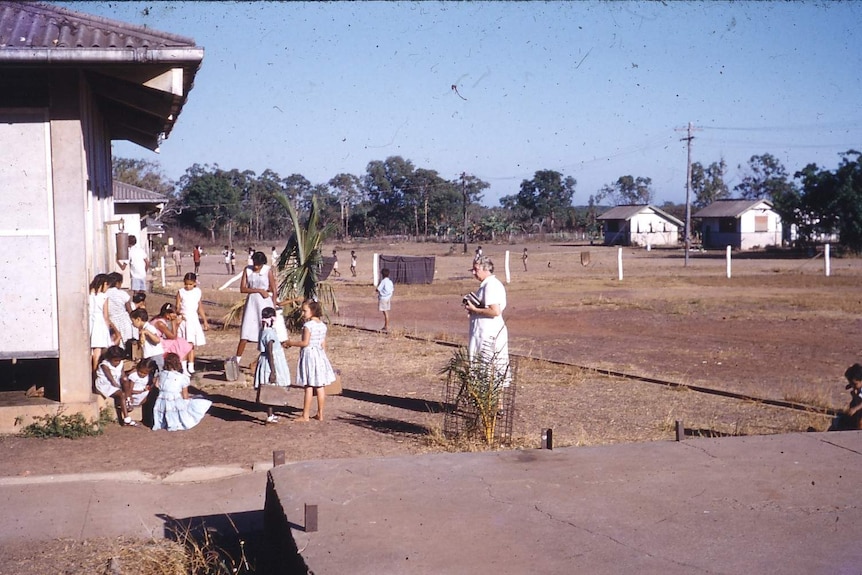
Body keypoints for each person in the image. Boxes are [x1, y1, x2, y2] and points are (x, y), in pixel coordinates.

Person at [464, 255, 511, 387]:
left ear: (486, 269)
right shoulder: (485, 286)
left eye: (476, 269)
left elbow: (495, 311)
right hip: (483, 333)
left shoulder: (491, 285)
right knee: (487, 370)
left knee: (491, 369)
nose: (473, 273)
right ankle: (491, 406)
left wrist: (475, 309)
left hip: (489, 334)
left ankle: (496, 406)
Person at [285, 299, 336, 421]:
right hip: (320, 354)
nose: (303, 313)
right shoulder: (323, 326)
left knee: (308, 385)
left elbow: (305, 342)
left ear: (312, 310)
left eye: (305, 311)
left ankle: (305, 415)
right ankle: (320, 413)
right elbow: (323, 344)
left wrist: (290, 343)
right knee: (320, 385)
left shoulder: (307, 326)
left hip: (309, 355)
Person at [235, 251, 278, 365]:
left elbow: (274, 290)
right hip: (252, 304)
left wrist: (273, 307)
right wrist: (259, 290)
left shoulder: (267, 270)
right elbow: (243, 289)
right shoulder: (247, 270)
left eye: (258, 264)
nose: (256, 266)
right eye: (254, 263)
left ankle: (262, 360)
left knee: (266, 332)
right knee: (245, 332)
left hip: (265, 304)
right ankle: (236, 360)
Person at [151, 353, 212, 431]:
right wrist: (186, 401)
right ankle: (175, 423)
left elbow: (156, 385)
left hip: (162, 398)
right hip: (175, 398)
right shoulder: (182, 377)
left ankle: (163, 423)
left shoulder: (161, 374)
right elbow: (185, 393)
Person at [254, 307, 291, 424]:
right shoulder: (269, 333)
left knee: (269, 387)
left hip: (266, 360)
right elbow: (270, 352)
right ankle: (270, 416)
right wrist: (273, 371)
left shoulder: (263, 331)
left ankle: (271, 414)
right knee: (270, 387)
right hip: (271, 362)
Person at [94, 345, 136, 426]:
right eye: (115, 360)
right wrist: (121, 389)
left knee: (125, 380)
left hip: (116, 382)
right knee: (121, 394)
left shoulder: (121, 363)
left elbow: (123, 375)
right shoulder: (105, 365)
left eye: (119, 360)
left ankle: (128, 400)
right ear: (109, 359)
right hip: (105, 384)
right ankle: (126, 418)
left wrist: (125, 384)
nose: (117, 362)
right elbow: (111, 380)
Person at [177, 273, 209, 374]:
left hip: (193, 318)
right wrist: (179, 313)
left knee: (191, 344)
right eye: (186, 284)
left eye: (190, 284)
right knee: (183, 344)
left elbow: (200, 307)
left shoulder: (197, 292)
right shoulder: (181, 292)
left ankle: (191, 365)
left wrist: (204, 321)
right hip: (184, 319)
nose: (188, 286)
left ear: (194, 283)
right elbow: (177, 306)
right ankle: (183, 365)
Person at [151, 303, 194, 373]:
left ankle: (184, 366)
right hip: (155, 342)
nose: (175, 315)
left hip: (158, 340)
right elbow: (172, 337)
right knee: (180, 343)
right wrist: (174, 323)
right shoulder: (160, 323)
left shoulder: (161, 320)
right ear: (167, 314)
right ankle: (183, 368)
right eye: (173, 313)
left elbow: (171, 336)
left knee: (181, 341)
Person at [105, 272, 134, 356]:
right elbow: (129, 310)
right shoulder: (122, 294)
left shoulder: (105, 293)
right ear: (118, 283)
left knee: (114, 341)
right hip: (124, 320)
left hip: (111, 321)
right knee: (126, 341)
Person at [89, 274, 112, 371]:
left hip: (89, 321)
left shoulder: (89, 295)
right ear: (105, 283)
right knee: (97, 350)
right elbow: (105, 315)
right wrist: (108, 328)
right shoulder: (104, 297)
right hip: (99, 323)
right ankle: (94, 371)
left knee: (89, 350)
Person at [376, 267, 394, 332]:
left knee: (385, 312)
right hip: (388, 298)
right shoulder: (390, 282)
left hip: (383, 298)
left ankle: (386, 326)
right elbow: (392, 290)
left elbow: (378, 289)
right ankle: (385, 326)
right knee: (386, 312)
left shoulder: (383, 281)